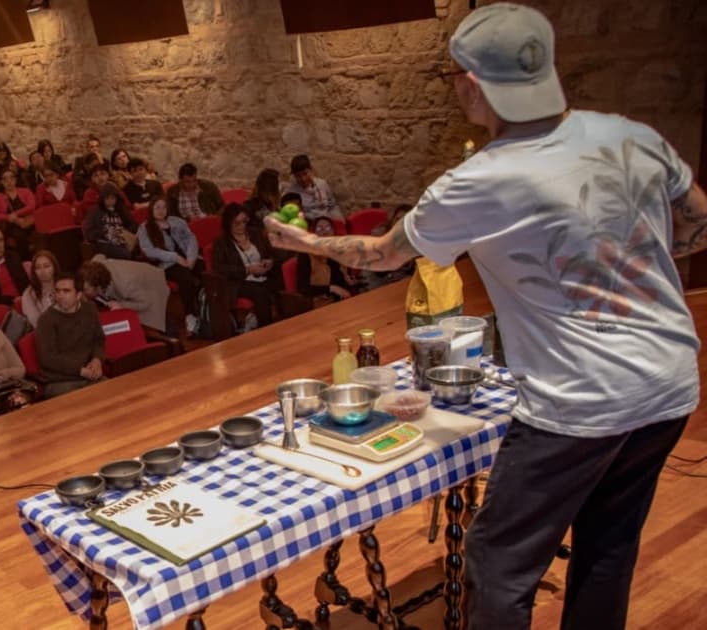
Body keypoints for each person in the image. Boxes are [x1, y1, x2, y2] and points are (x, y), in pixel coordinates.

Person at [265, 5, 707, 628]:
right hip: (669, 384)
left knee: (498, 564)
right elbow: (695, 222)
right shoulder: (628, 134)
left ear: (471, 84)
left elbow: (386, 253)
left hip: (581, 402)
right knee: (608, 546)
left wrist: (306, 246)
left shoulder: (480, 180)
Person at [35, 273, 105, 397]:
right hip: (60, 381)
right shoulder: (46, 320)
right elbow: (48, 358)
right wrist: (80, 370)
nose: (60, 295)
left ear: (78, 295)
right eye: (57, 291)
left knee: (116, 396)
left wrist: (97, 359)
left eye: (66, 291)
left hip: (88, 375)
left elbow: (99, 340)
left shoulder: (90, 309)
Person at [138, 198, 202, 331]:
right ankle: (190, 315)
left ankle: (208, 310)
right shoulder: (145, 227)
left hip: (189, 258)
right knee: (186, 279)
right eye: (157, 208)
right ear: (151, 209)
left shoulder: (176, 221)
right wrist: (175, 257)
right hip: (167, 264)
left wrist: (191, 258)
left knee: (208, 273)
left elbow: (191, 239)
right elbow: (149, 250)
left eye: (164, 207)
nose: (161, 211)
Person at [214, 203, 279, 328]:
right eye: (236, 223)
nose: (241, 226)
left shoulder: (255, 234)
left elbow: (271, 253)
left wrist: (269, 262)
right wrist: (247, 269)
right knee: (260, 292)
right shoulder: (222, 243)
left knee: (280, 283)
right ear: (228, 223)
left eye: (244, 221)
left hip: (262, 275)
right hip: (239, 281)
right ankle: (266, 329)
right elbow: (220, 268)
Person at [79, 257, 170, 332]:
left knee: (152, 322)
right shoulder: (93, 267)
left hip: (152, 284)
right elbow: (100, 256)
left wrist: (121, 305)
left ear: (98, 287)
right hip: (134, 281)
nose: (82, 292)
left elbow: (145, 302)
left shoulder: (125, 285)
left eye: (85, 290)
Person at [295, 217, 353, 305]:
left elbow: (342, 275)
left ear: (333, 231)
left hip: (344, 297)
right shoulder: (306, 254)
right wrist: (332, 288)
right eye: (319, 228)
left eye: (328, 228)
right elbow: (303, 288)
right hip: (323, 301)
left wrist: (349, 278)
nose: (325, 232)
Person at [83, 183, 138, 260]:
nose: (110, 201)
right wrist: (105, 232)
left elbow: (133, 225)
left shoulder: (121, 209)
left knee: (137, 249)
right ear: (102, 199)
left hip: (123, 239)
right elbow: (89, 232)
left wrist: (123, 232)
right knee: (125, 254)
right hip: (103, 242)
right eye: (107, 198)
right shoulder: (95, 211)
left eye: (113, 198)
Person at [0, 170, 36, 259]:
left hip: (28, 221)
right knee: (19, 236)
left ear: (15, 180)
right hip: (10, 225)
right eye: (5, 179)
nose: (9, 181)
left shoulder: (25, 191)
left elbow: (32, 206)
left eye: (11, 178)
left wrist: (15, 214)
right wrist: (9, 218)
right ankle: (25, 261)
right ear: (2, 182)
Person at [285, 154, 342, 222]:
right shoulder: (292, 192)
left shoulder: (322, 184)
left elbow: (332, 206)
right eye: (298, 176)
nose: (303, 179)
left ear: (311, 170)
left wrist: (339, 222)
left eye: (305, 173)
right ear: (294, 176)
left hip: (326, 224)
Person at [20, 249, 59, 327]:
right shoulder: (29, 294)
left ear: (54, 267)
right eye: (38, 267)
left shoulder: (64, 285)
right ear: (34, 271)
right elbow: (37, 324)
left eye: (46, 266)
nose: (42, 271)